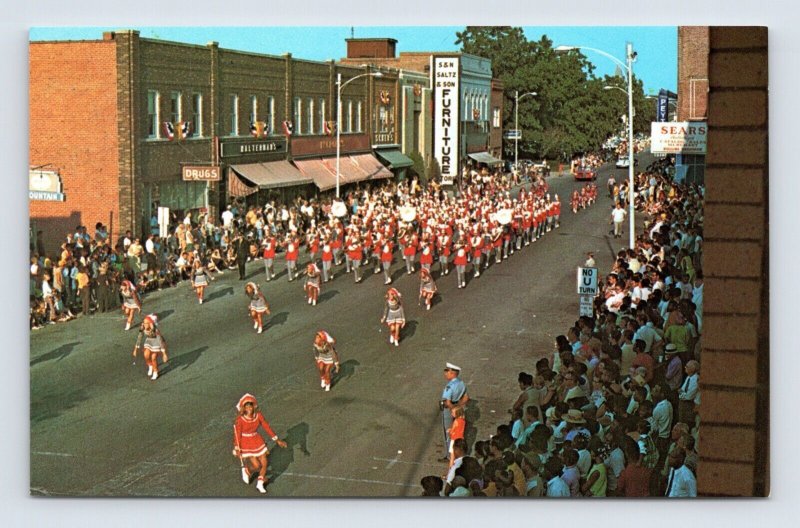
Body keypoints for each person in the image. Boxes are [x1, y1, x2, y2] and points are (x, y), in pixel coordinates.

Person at [232, 394, 288, 494]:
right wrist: (237, 447)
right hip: (246, 442)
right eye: (246, 406)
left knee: (264, 461)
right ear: (243, 408)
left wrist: (277, 440)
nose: (249, 408)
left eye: (250, 405)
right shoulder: (240, 420)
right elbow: (237, 434)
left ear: (254, 406)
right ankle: (248, 470)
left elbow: (266, 427)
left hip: (256, 439)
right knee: (257, 466)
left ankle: (260, 482)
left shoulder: (258, 415)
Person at [440, 363, 469, 462]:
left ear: (452, 373)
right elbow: (466, 398)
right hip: (458, 409)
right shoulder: (461, 383)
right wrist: (458, 407)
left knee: (449, 433)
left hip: (449, 410)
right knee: (459, 431)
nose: (445, 373)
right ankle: (459, 451)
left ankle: (450, 455)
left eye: (447, 371)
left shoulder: (449, 386)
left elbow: (447, 402)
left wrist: (452, 409)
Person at [131, 314, 168, 381]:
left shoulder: (156, 331)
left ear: (150, 323)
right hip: (149, 342)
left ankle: (155, 372)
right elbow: (139, 338)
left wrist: (164, 354)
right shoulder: (143, 328)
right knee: (146, 355)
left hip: (157, 343)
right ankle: (150, 365)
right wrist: (135, 349)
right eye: (144, 323)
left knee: (153, 358)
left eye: (146, 323)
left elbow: (160, 341)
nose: (144, 324)